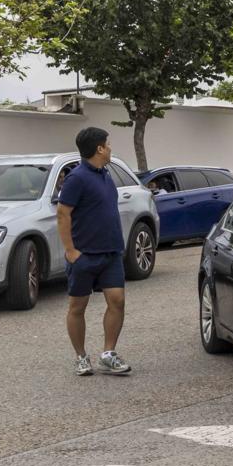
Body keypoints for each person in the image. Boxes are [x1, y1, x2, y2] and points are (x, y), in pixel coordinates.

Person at [57, 127, 131, 377]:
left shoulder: (105, 174)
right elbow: (63, 213)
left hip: (110, 252)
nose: (110, 148)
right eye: (108, 144)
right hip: (84, 255)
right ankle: (80, 357)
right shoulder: (77, 178)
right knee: (78, 306)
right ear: (99, 148)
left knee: (117, 301)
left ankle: (108, 354)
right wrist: (71, 251)